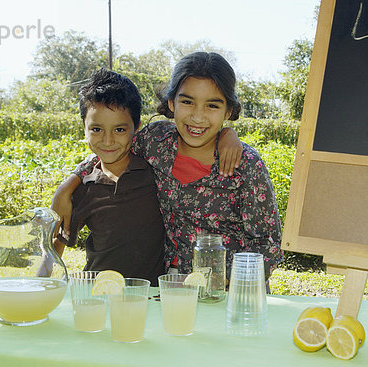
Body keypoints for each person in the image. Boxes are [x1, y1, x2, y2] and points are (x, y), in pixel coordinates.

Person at [54, 52, 283, 281]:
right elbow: (112, 149)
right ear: (172, 103)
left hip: (228, 294)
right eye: (187, 102)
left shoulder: (245, 165)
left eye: (212, 105)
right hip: (167, 287)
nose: (197, 117)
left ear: (229, 111)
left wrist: (226, 282)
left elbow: (269, 244)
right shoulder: (156, 142)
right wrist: (69, 184)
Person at [52, 68, 165, 285]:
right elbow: (56, 244)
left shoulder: (156, 173)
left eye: (120, 130)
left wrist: (229, 135)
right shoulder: (83, 188)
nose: (108, 140)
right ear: (84, 128)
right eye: (96, 129)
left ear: (137, 128)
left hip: (149, 298)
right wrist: (37, 289)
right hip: (97, 295)